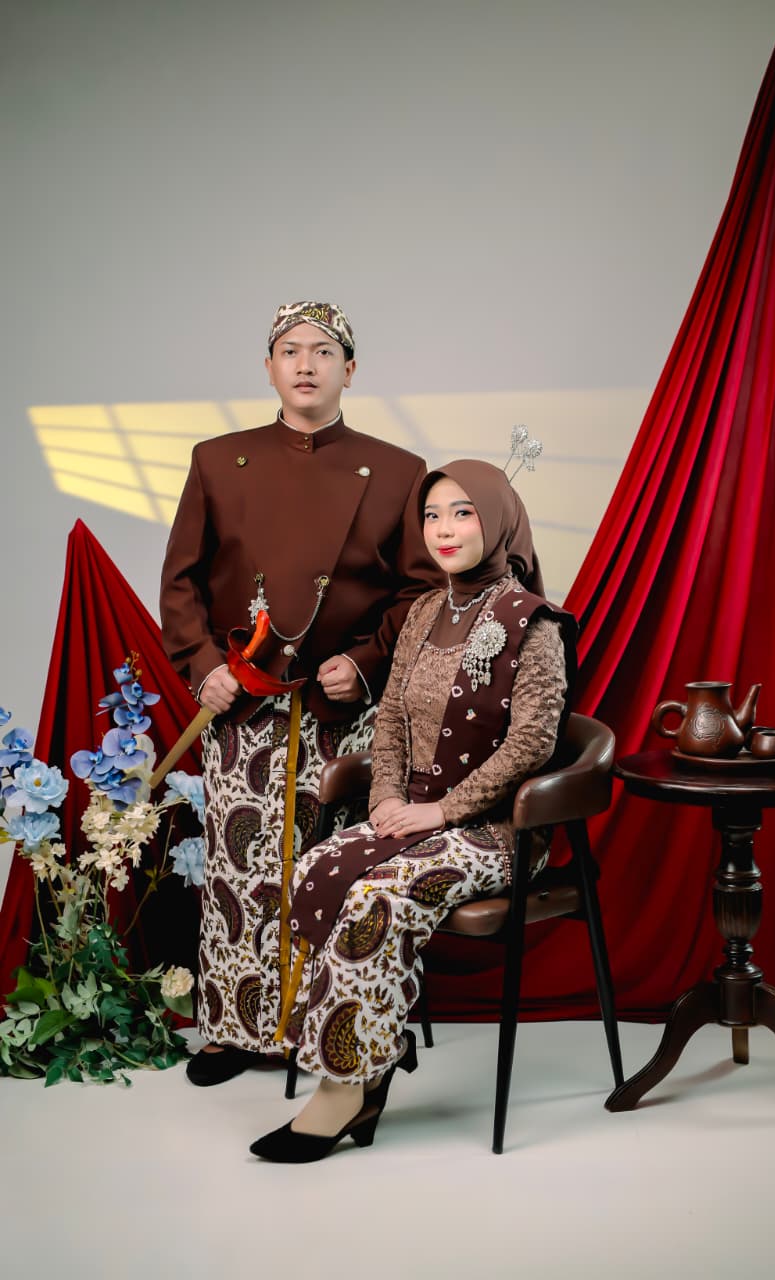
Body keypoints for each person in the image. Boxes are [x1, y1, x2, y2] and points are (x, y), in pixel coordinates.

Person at [249, 458, 577, 1162]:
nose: (443, 529)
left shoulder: (533, 623)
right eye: (431, 515)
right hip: (414, 813)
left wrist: (445, 811)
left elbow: (532, 742)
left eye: (462, 512)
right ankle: (374, 1052)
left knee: (378, 895)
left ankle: (344, 1089)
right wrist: (388, 799)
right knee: (315, 868)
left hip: (499, 831)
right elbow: (392, 718)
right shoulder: (425, 611)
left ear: (497, 521)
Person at [159, 301, 439, 1086]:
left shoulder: (397, 470)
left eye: (322, 351)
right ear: (269, 368)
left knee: (335, 864)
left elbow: (419, 594)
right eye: (290, 350)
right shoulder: (218, 460)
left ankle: (329, 1031)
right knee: (237, 867)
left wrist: (367, 661)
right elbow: (181, 580)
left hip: (341, 706)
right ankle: (231, 1030)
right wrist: (201, 663)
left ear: (350, 369)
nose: (306, 364)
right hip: (243, 699)